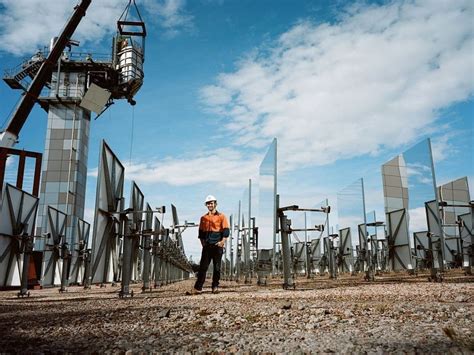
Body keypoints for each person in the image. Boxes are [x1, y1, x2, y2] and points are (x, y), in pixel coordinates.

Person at [189, 195, 229, 294]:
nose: (210, 205)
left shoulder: (222, 217)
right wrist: (203, 244)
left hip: (217, 246)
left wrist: (222, 242)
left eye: (211, 203)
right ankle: (198, 288)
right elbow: (201, 233)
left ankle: (215, 287)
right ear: (206, 205)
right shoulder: (203, 218)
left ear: (215, 204)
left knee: (217, 267)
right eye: (208, 203)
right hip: (207, 246)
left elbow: (226, 231)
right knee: (203, 267)